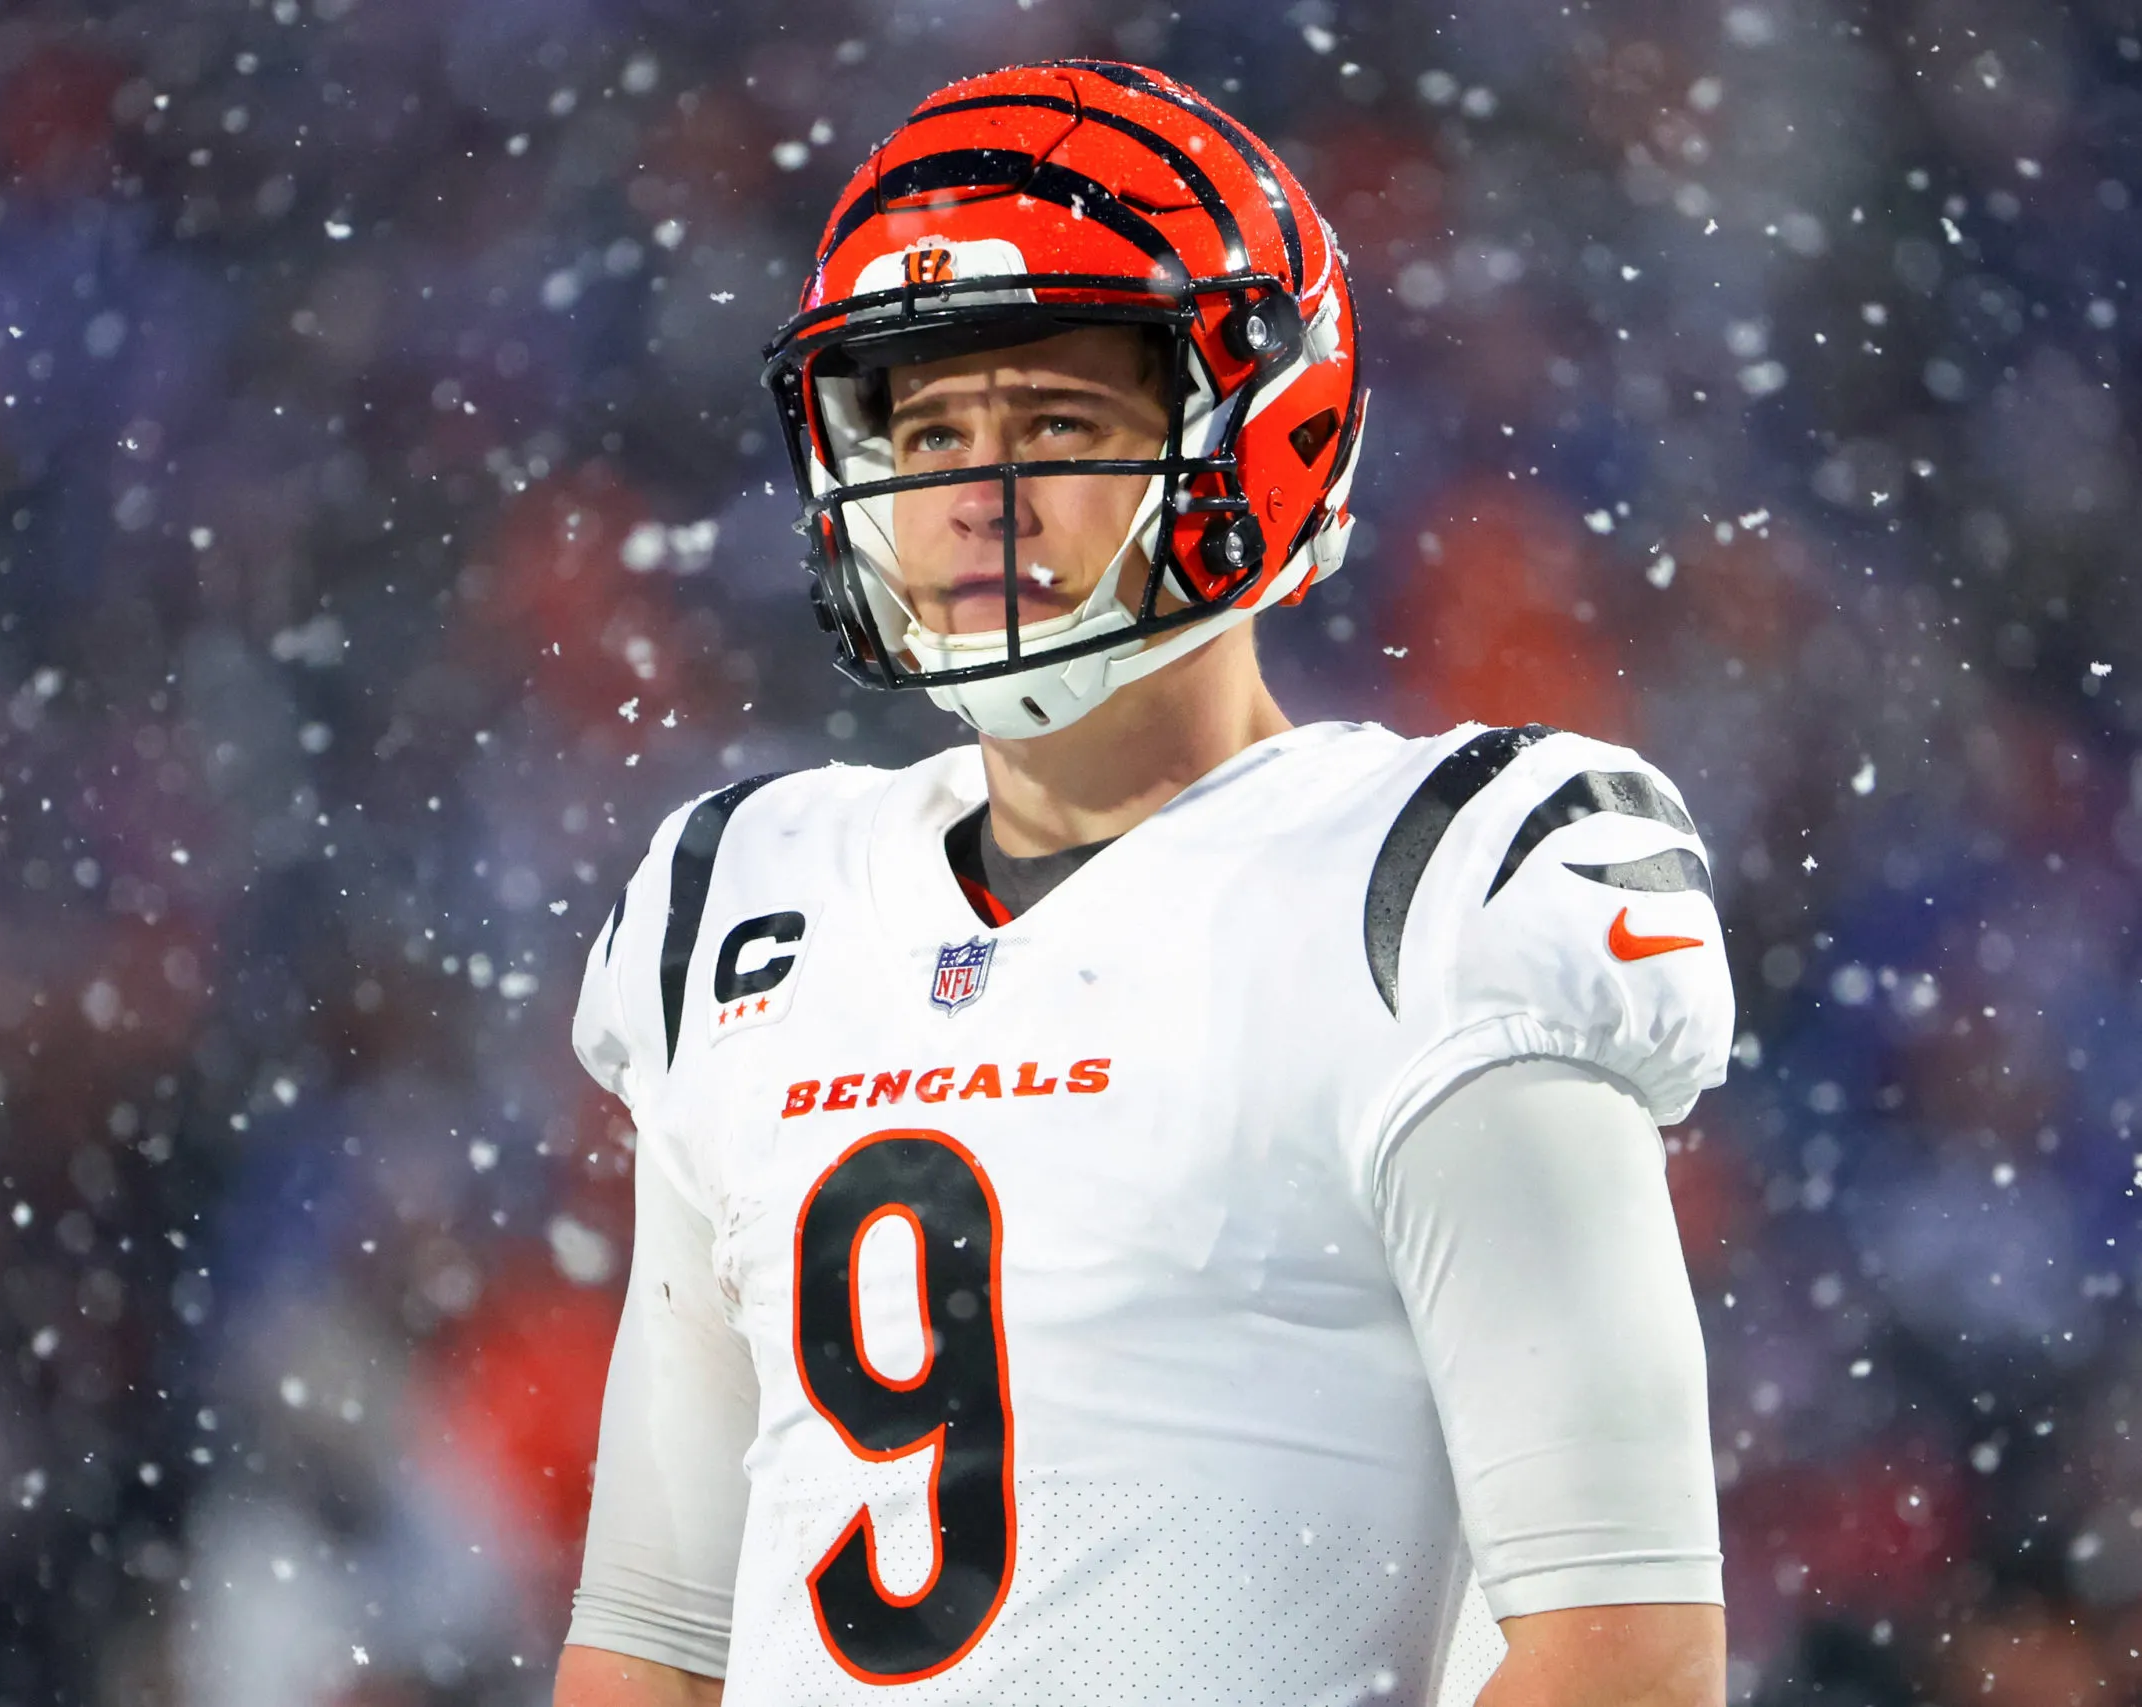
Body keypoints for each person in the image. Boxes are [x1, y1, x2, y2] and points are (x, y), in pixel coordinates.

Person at [553, 60, 1731, 1707]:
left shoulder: (1430, 892)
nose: (972, 491)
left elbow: (1626, 1648)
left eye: (1055, 421)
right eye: (929, 426)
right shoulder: (739, 903)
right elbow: (652, 1639)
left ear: (1259, 431)